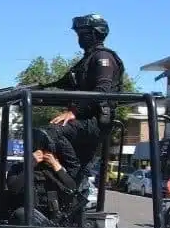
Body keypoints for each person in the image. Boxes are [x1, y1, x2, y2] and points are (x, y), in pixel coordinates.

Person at [44, 14, 125, 181]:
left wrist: (74, 111)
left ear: (95, 34)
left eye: (83, 34)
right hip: (85, 121)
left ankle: (70, 177)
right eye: (78, 34)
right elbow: (62, 82)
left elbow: (102, 90)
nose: (79, 38)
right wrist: (38, 88)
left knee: (52, 131)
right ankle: (72, 183)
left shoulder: (103, 57)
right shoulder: (85, 61)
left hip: (95, 121)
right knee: (81, 166)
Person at [7, 130, 80, 226]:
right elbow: (14, 188)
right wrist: (30, 164)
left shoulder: (53, 170)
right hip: (27, 221)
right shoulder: (19, 168)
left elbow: (72, 187)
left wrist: (56, 165)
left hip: (52, 220)